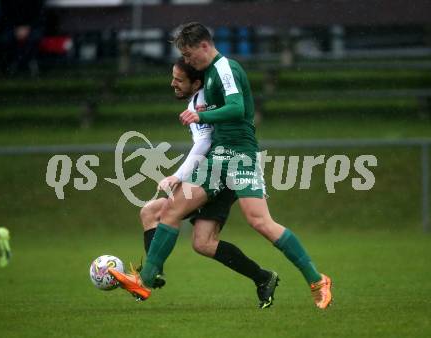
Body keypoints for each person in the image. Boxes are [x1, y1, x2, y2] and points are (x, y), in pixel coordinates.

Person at [109, 22, 332, 310]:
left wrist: (201, 117)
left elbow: (237, 108)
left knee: (260, 222)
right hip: (218, 159)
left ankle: (317, 280)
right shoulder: (209, 74)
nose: (188, 62)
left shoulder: (225, 69)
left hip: (240, 157)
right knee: (172, 212)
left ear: (204, 45)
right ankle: (147, 279)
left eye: (189, 55)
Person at [139, 58, 279, 308]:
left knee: (152, 211)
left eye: (179, 79)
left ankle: (149, 274)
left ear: (196, 82)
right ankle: (263, 278)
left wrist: (177, 176)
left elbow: (204, 143)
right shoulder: (199, 99)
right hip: (217, 172)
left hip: (216, 172)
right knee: (203, 243)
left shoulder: (202, 100)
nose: (173, 83)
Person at [0, 0, 45, 75]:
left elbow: (40, 14)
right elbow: (5, 14)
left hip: (33, 27)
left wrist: (28, 27)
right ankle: (11, 64)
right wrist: (16, 28)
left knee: (35, 37)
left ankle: (21, 63)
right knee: (5, 39)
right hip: (11, 27)